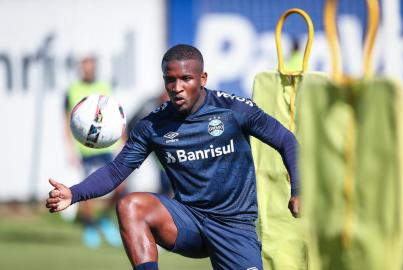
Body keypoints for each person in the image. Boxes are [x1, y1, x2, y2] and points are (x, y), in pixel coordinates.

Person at [47, 44, 299, 270]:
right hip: (186, 222)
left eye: (186, 79)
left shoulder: (233, 110)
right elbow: (116, 171)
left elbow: (286, 140)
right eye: (170, 80)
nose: (177, 88)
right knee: (130, 205)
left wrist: (299, 189)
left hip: (233, 226)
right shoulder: (153, 125)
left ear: (203, 78)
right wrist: (74, 193)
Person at [64, 56, 124, 248]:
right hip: (85, 149)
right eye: (85, 66)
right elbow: (66, 120)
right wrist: (69, 149)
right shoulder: (72, 90)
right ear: (81, 68)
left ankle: (105, 219)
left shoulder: (104, 86)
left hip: (107, 146)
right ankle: (89, 226)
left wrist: (122, 138)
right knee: (86, 191)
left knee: (121, 186)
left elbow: (115, 113)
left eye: (91, 66)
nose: (88, 69)